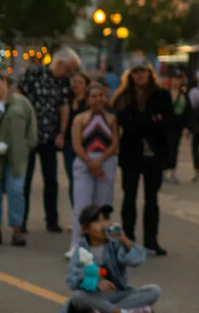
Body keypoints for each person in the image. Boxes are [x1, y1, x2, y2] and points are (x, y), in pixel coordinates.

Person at [112, 57, 173, 256]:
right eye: (136, 72)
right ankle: (128, 238)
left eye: (143, 71)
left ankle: (151, 240)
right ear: (130, 75)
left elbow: (168, 123)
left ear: (149, 73)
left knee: (151, 198)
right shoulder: (123, 97)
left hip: (154, 154)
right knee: (129, 197)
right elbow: (126, 123)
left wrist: (151, 123)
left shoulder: (161, 95)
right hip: (131, 154)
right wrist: (150, 121)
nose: (139, 75)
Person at [61, 203, 160, 313]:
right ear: (86, 229)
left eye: (106, 219)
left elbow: (136, 260)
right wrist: (96, 282)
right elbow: (72, 280)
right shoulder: (81, 251)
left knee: (153, 290)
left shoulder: (115, 245)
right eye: (97, 221)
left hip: (118, 294)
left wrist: (124, 240)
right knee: (78, 297)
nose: (103, 224)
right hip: (94, 297)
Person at [18, 45, 79, 232]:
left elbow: (64, 107)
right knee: (25, 179)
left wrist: (61, 132)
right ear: (59, 62)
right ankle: (21, 221)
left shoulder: (63, 83)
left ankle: (51, 220)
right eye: (69, 69)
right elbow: (19, 97)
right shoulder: (34, 73)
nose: (70, 73)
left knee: (51, 179)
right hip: (28, 135)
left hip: (49, 136)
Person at [0, 68, 37, 246]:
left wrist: (27, 147)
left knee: (16, 191)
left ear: (4, 82)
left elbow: (31, 128)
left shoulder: (21, 103)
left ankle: (17, 229)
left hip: (17, 157)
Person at [68, 82, 119, 254]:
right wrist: (89, 162)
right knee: (82, 204)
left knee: (103, 204)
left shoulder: (111, 119)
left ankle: (103, 243)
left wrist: (101, 160)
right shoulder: (80, 119)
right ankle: (77, 244)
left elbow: (114, 143)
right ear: (88, 99)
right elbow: (76, 143)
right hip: (85, 162)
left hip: (106, 162)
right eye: (94, 96)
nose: (98, 99)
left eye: (101, 95)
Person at [62, 72, 90, 206]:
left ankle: (85, 210)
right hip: (69, 144)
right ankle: (76, 212)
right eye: (74, 81)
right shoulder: (66, 100)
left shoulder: (89, 102)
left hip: (85, 145)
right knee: (73, 179)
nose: (76, 85)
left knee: (84, 179)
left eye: (80, 82)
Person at [163, 71, 192, 184]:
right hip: (165, 124)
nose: (176, 82)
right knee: (164, 147)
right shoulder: (165, 93)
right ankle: (164, 170)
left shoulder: (184, 94)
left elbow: (188, 112)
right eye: (175, 79)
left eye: (179, 79)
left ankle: (171, 170)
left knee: (174, 147)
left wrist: (187, 127)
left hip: (177, 124)